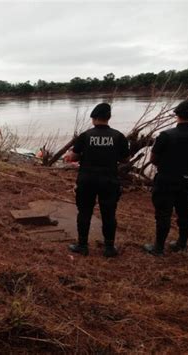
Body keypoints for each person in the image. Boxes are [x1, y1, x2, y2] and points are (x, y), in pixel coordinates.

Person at [65, 103, 130, 257]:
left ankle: (82, 245)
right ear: (109, 118)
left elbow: (73, 157)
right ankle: (109, 248)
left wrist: (79, 156)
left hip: (87, 180)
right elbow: (125, 159)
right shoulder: (118, 136)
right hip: (109, 180)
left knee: (84, 212)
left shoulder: (85, 135)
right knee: (108, 214)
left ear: (93, 118)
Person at [144, 98, 188, 256]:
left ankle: (158, 248)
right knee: (184, 212)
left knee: (163, 214)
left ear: (176, 115)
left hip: (166, 180)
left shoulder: (166, 135)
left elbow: (153, 158)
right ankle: (181, 243)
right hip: (187, 179)